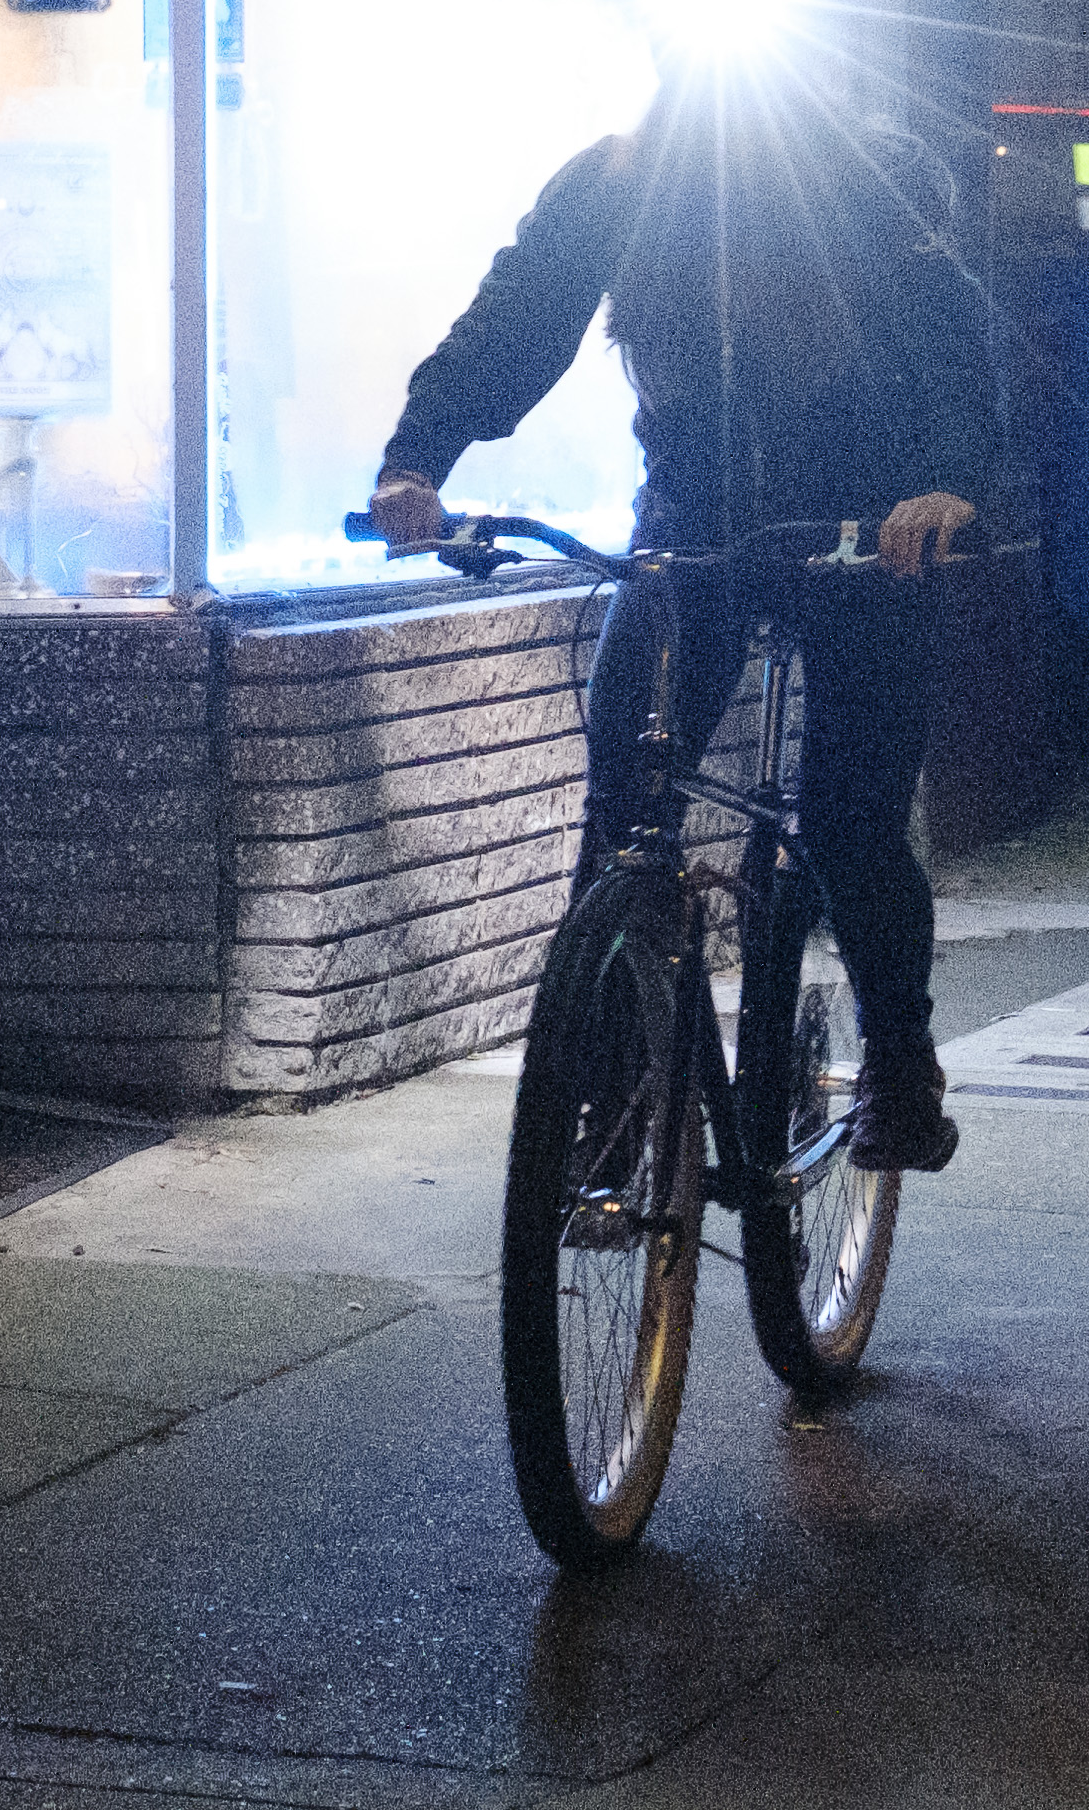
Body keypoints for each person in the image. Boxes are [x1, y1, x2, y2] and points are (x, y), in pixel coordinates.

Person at [373, 79, 1003, 1169]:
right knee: (624, 804)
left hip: (862, 536)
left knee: (852, 821)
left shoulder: (869, 181)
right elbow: (515, 318)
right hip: (692, 534)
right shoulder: (612, 185)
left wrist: (946, 482)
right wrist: (419, 455)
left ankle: (900, 1065)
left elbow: (949, 346)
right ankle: (608, 1101)